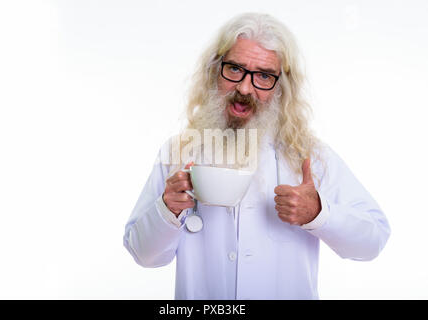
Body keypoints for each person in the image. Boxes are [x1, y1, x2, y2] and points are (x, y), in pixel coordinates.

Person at [123, 12, 390, 299]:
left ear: (281, 86)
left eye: (263, 75)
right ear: (215, 69)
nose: (244, 88)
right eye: (235, 69)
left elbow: (372, 241)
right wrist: (168, 208)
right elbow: (143, 254)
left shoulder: (308, 155)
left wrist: (319, 213)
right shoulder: (179, 150)